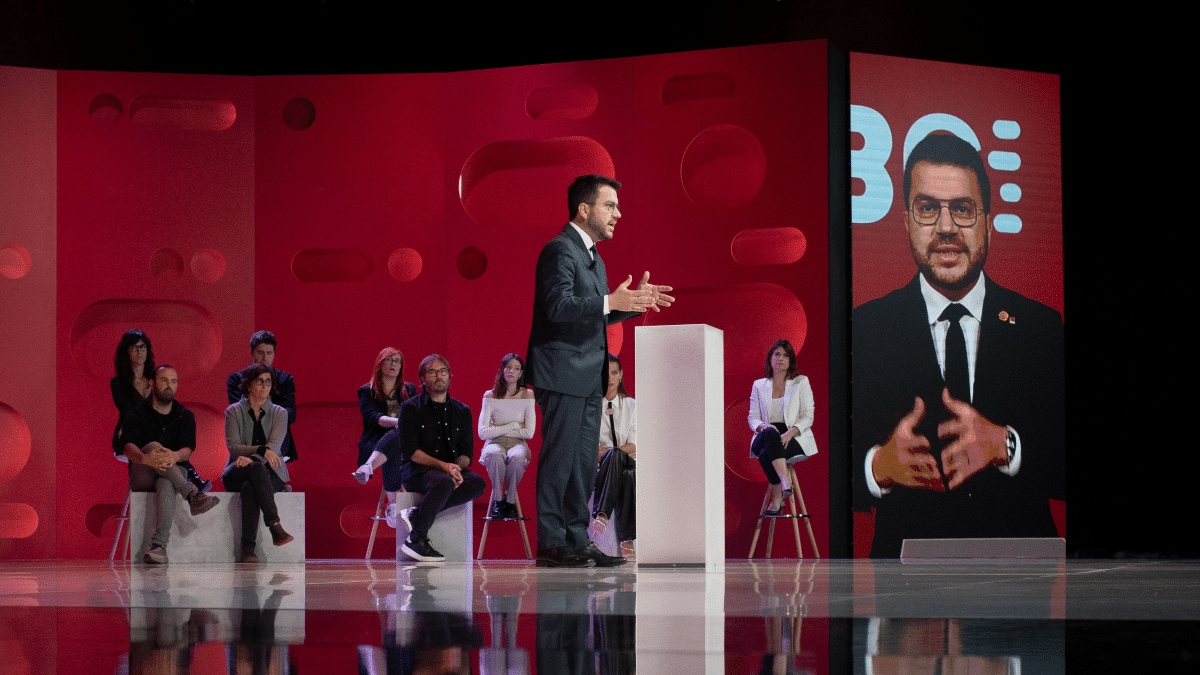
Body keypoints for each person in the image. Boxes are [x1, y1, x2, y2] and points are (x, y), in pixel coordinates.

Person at [852, 132, 1065, 557]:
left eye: (963, 210)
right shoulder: (865, 326)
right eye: (928, 209)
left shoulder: (1041, 326)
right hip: (904, 590)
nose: (946, 227)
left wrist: (1006, 445)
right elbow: (826, 464)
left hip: (1023, 581)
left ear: (987, 222)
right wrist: (880, 466)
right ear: (907, 222)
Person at [525, 174, 672, 568]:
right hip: (562, 372)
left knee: (582, 462)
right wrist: (610, 300)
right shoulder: (560, 251)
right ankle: (553, 542)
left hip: (588, 376)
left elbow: (595, 312)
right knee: (560, 461)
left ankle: (576, 539)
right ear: (584, 208)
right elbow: (559, 306)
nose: (618, 214)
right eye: (610, 205)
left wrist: (633, 303)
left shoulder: (593, 257)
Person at [374, 354, 485, 562]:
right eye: (432, 372)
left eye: (443, 371)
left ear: (450, 377)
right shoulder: (410, 408)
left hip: (449, 469)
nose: (439, 376)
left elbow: (466, 455)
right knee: (442, 483)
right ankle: (417, 540)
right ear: (423, 378)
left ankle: (416, 514)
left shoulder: (462, 411)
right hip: (418, 471)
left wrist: (454, 467)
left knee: (477, 483)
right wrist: (444, 467)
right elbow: (411, 453)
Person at [120, 365, 220, 564]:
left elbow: (187, 450)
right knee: (154, 446)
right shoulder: (137, 413)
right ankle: (192, 494)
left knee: (166, 483)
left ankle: (159, 548)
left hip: (174, 471)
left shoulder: (185, 415)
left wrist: (174, 456)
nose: (169, 385)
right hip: (142, 473)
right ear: (152, 383)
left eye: (174, 381)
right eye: (164, 380)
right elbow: (127, 446)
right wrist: (145, 457)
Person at [111, 329, 210, 493]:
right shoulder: (118, 382)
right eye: (134, 348)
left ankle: (187, 482)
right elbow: (129, 411)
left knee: (167, 437)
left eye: (142, 347)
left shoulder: (155, 376)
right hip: (131, 432)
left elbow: (164, 407)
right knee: (159, 439)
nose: (139, 351)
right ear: (126, 351)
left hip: (154, 430)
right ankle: (191, 481)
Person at [222, 363, 295, 563]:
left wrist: (254, 456)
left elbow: (274, 446)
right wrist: (260, 450)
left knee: (250, 486)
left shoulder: (280, 413)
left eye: (268, 382)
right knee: (252, 471)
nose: (264, 386)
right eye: (260, 382)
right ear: (249, 385)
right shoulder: (233, 412)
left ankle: (248, 550)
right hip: (237, 470)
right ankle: (274, 525)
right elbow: (234, 449)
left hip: (272, 472)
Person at [748, 339, 818, 516]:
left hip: (793, 437)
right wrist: (762, 426)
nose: (781, 358)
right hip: (764, 435)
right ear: (770, 358)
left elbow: (808, 416)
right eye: (777, 354)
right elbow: (753, 417)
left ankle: (777, 498)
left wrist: (789, 434)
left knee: (766, 453)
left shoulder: (801, 382)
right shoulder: (759, 385)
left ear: (791, 360)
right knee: (770, 434)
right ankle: (785, 479)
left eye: (786, 355)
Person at [589, 353, 637, 559]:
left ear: (621, 376)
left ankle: (602, 514)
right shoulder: (591, 408)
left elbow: (635, 444)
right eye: (605, 373)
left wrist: (609, 452)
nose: (610, 378)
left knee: (616, 455)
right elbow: (590, 446)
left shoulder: (631, 405)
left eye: (614, 373)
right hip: (604, 467)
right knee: (625, 475)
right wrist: (607, 453)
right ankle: (627, 541)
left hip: (629, 460)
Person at [227, 330, 298, 467]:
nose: (265, 357)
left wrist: (273, 418)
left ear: (274, 354)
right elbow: (238, 413)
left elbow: (291, 414)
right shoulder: (236, 379)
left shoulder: (285, 379)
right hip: (247, 439)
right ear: (252, 352)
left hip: (276, 438)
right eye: (260, 352)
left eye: (269, 353)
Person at [478, 353, 535, 520]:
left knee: (517, 457)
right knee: (494, 454)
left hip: (519, 443)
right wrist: (513, 426)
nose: (511, 371)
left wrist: (496, 427)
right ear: (502, 369)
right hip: (495, 442)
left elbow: (529, 432)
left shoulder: (527, 394)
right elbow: (483, 433)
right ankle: (497, 500)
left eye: (516, 368)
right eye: (508, 367)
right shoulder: (490, 395)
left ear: (521, 373)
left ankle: (509, 501)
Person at [353, 347, 418, 483]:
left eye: (397, 361)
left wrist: (401, 423)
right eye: (388, 360)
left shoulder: (409, 389)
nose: (393, 364)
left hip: (408, 440)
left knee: (397, 438)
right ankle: (393, 504)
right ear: (380, 364)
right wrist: (398, 422)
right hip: (376, 440)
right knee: (395, 443)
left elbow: (416, 415)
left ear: (401, 366)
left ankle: (367, 467)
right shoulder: (366, 391)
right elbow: (374, 416)